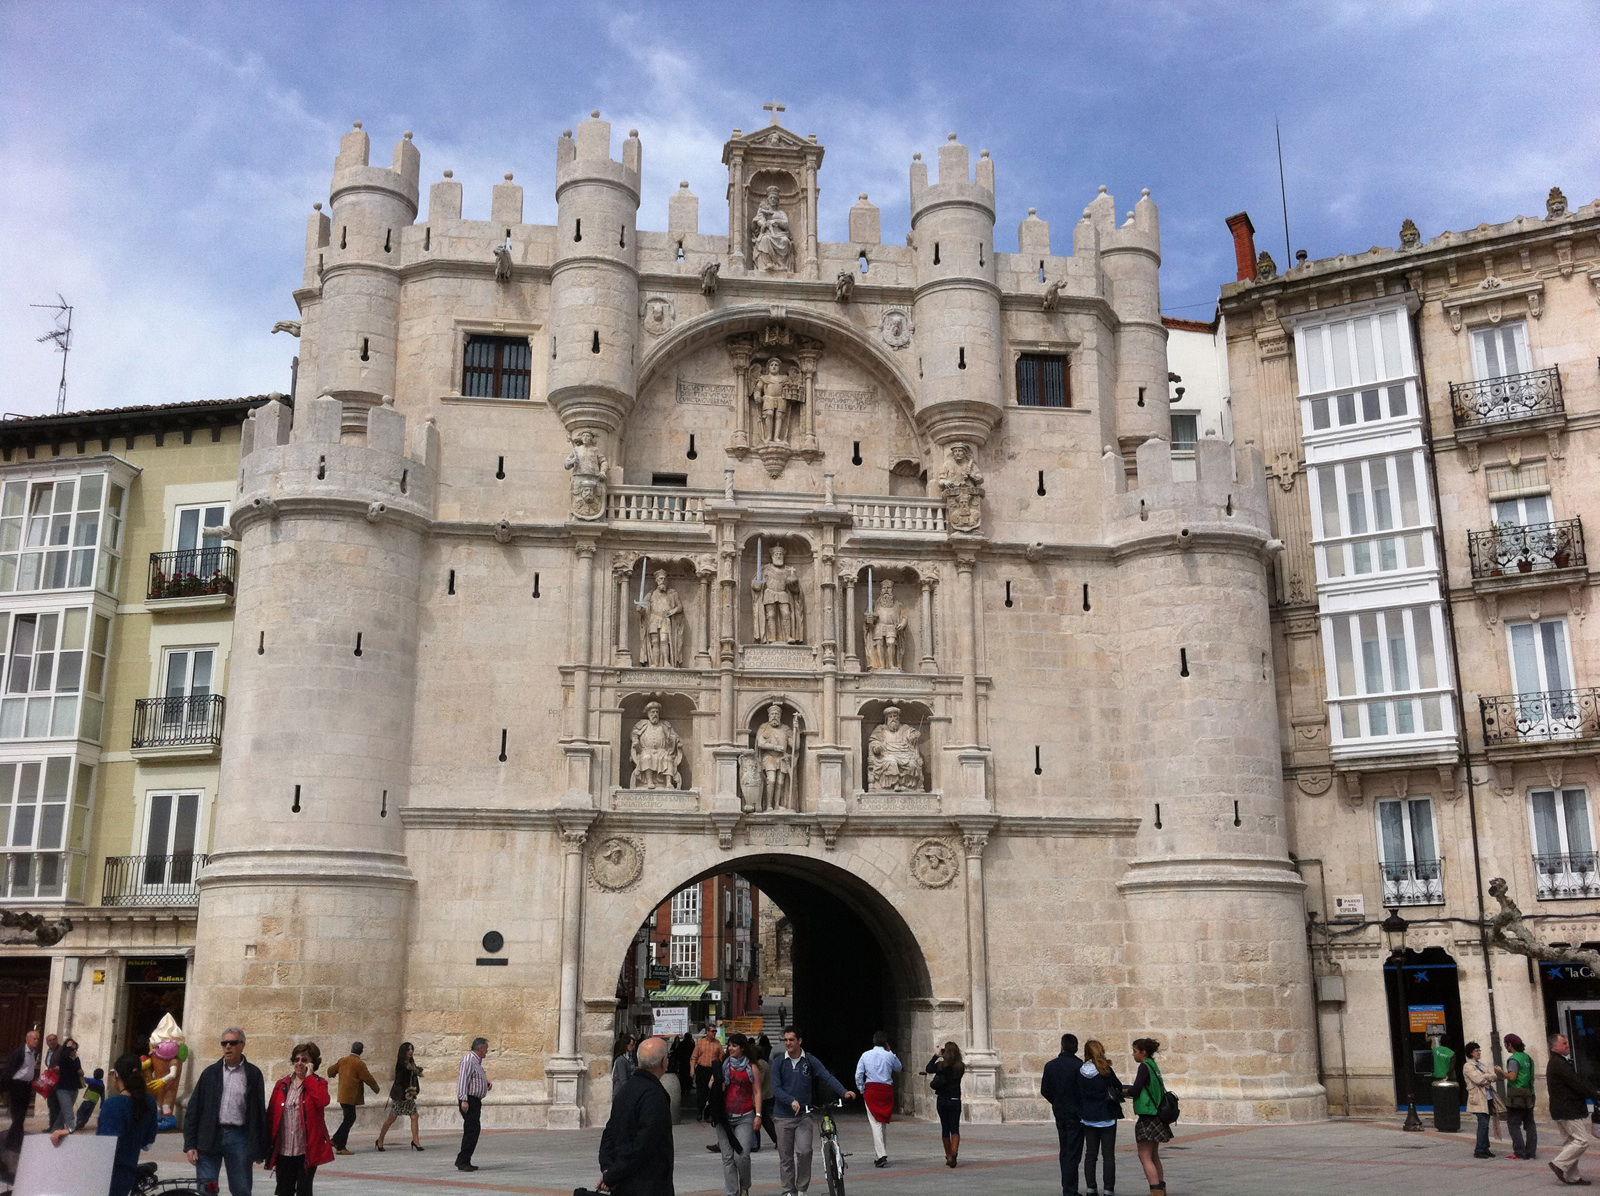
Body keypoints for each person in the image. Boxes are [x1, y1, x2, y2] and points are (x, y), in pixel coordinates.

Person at [48, 1051, 156, 1196]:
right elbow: (147, 1143)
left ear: (116, 1075)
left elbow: (103, 1146)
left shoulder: (113, 1104)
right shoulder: (150, 1101)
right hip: (127, 1174)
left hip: (106, 1176)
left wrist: (70, 1134)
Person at [184, 1026, 270, 1196]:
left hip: (239, 1137)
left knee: (241, 1189)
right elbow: (194, 1109)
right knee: (206, 1189)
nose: (228, 1047)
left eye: (232, 1043)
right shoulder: (210, 1073)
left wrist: (260, 1148)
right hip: (209, 1136)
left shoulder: (253, 1074)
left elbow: (258, 1113)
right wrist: (190, 1144)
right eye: (224, 1043)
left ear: (242, 1045)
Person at [771, 1026, 855, 1196]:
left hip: (804, 1115)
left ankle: (802, 1188)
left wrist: (844, 1091)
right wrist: (791, 1100)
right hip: (782, 1116)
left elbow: (826, 1076)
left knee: (804, 1152)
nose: (788, 1043)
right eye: (785, 1040)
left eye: (791, 1040)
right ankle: (788, 1191)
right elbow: (776, 1088)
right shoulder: (779, 1062)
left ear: (799, 1041)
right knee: (786, 1157)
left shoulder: (809, 1061)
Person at [597, 1035, 674, 1195]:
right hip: (647, 1183)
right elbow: (644, 1143)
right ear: (663, 1062)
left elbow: (610, 1132)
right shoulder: (654, 1095)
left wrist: (608, 1170)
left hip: (622, 1182)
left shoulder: (626, 1089)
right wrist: (612, 1175)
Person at [267, 1042, 333, 1195]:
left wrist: (309, 1078)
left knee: (304, 1191)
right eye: (296, 1059)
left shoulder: (319, 1083)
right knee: (284, 1190)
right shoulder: (282, 1084)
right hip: (284, 1150)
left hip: (306, 1151)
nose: (299, 1063)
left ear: (312, 1063)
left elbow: (322, 1101)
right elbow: (271, 1114)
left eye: (304, 1060)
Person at [707, 1033, 760, 1196]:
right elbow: (711, 1084)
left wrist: (758, 1115)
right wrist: (717, 1084)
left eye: (734, 1046)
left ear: (742, 1048)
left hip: (745, 1115)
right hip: (724, 1116)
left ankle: (745, 1185)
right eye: (729, 1045)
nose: (730, 1048)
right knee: (727, 1157)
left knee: (742, 1156)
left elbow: (757, 1092)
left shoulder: (752, 1067)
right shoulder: (723, 1065)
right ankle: (732, 1193)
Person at [1548, 1032, 1600, 1184]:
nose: (1568, 1046)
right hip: (1567, 1108)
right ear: (1555, 1046)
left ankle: (1572, 1177)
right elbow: (1576, 1083)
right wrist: (1596, 1094)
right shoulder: (1558, 1063)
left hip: (1561, 1108)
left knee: (1571, 1142)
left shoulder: (1558, 1062)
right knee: (1582, 1141)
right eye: (1564, 1043)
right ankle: (1558, 1164)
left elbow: (1575, 1082)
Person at [1041, 1032, 1085, 1196]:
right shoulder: (1079, 1066)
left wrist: (1057, 1101)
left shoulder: (1050, 1065)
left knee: (1065, 1149)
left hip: (1060, 1112)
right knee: (1074, 1151)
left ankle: (1067, 1186)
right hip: (1076, 1113)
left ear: (1062, 1046)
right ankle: (1070, 1189)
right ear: (1076, 1047)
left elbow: (1045, 1090)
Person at [1078, 1040, 1124, 1196]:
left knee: (1090, 1154)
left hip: (1088, 1117)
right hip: (1107, 1115)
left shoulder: (1081, 1071)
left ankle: (1091, 1188)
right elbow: (1118, 1086)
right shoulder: (1106, 1070)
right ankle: (1108, 1189)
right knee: (1108, 1155)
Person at [1129, 1037, 1172, 1196]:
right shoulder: (1154, 1065)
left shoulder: (1144, 1067)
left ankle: (1156, 1190)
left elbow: (1136, 1090)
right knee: (1154, 1155)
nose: (1133, 1055)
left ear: (1143, 1052)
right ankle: (1161, 1188)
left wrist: (1123, 1090)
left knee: (1144, 1155)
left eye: (1135, 1051)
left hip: (1148, 1115)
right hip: (1157, 1115)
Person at [854, 1030, 902, 1168]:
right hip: (886, 1090)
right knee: (882, 1122)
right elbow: (899, 1068)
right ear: (886, 1043)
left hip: (872, 1090)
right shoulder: (889, 1056)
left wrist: (862, 1089)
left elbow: (858, 1075)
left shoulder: (865, 1055)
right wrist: (891, 1052)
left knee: (875, 1123)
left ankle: (881, 1155)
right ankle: (880, 1153)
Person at [324, 1041, 378, 1155]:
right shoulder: (359, 1063)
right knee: (349, 1119)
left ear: (352, 1049)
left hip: (342, 1095)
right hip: (351, 1097)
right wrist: (376, 1088)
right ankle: (338, 1143)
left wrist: (332, 1074)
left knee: (348, 1119)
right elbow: (368, 1078)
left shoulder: (343, 1060)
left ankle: (338, 1143)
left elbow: (330, 1070)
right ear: (361, 1051)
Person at [3, 1029, 40, 1182]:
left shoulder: (35, 1054)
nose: (37, 1041)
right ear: (28, 1039)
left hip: (26, 1087)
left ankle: (16, 1138)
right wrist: (5, 1088)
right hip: (16, 1086)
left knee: (21, 1115)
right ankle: (12, 1142)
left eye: (38, 1039)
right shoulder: (19, 1053)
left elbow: (30, 1069)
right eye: (35, 1039)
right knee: (17, 1116)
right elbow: (9, 1070)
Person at [375, 1041, 423, 1152]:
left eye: (412, 1049)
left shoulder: (411, 1062)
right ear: (403, 1052)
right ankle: (380, 1140)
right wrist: (405, 1093)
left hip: (409, 1095)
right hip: (401, 1095)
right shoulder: (402, 1064)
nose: (411, 1051)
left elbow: (413, 1078)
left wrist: (415, 1090)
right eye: (408, 1049)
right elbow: (399, 1081)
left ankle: (416, 1141)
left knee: (414, 1116)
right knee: (391, 1118)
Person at [1496, 1032, 1537, 1160]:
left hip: (1516, 1095)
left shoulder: (1514, 1059)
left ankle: (1519, 1152)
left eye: (1505, 1044)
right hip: (1529, 1093)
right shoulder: (1527, 1058)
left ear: (1510, 1044)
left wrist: (1501, 1072)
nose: (1505, 1047)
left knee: (1513, 1124)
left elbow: (1513, 1077)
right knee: (1530, 1124)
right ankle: (1531, 1152)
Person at [924, 1041, 965, 1168]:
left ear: (945, 1053)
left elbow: (928, 1068)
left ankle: (948, 1156)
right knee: (955, 1128)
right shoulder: (960, 1066)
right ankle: (954, 1152)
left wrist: (936, 1056)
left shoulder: (940, 1066)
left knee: (945, 1128)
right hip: (955, 1099)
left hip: (942, 1100)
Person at [456, 1036, 491, 1172]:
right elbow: (463, 1080)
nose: (487, 1052)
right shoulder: (469, 1060)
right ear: (480, 1048)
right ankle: (463, 1161)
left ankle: (464, 1160)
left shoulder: (477, 1061)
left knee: (473, 1130)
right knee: (472, 1130)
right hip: (469, 1100)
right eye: (486, 1049)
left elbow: (474, 1078)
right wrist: (464, 1099)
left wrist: (485, 1084)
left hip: (474, 1100)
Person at [1461, 1041, 1497, 1158]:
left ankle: (1485, 1148)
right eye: (1476, 1051)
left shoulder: (1481, 1064)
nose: (1479, 1052)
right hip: (1478, 1098)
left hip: (1488, 1097)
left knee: (1485, 1124)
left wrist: (1487, 1077)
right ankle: (1480, 1150)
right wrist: (1487, 1077)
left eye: (1479, 1050)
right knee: (1483, 1124)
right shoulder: (1468, 1066)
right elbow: (1478, 1080)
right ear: (1470, 1053)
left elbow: (1494, 1076)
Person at [691, 1025, 724, 1122]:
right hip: (701, 1069)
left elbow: (721, 1058)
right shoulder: (700, 1043)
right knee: (701, 1092)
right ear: (707, 1032)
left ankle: (708, 1113)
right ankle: (699, 1111)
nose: (714, 1033)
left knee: (711, 1093)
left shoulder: (718, 1044)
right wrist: (692, 1069)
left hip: (712, 1070)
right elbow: (694, 1057)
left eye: (715, 1031)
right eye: (713, 1031)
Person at [50, 1037, 83, 1133]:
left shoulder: (76, 1059)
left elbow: (78, 1070)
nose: (74, 1050)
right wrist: (68, 1047)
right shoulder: (63, 1057)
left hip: (74, 1089)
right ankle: (71, 1130)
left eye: (75, 1048)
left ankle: (55, 1130)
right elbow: (64, 1057)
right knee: (69, 1113)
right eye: (72, 1048)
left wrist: (80, 1071)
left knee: (63, 1112)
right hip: (63, 1088)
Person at [611, 1034, 638, 1099]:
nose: (633, 1047)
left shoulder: (630, 1058)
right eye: (631, 1045)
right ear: (626, 1045)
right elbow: (623, 1080)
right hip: (621, 1093)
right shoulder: (621, 1060)